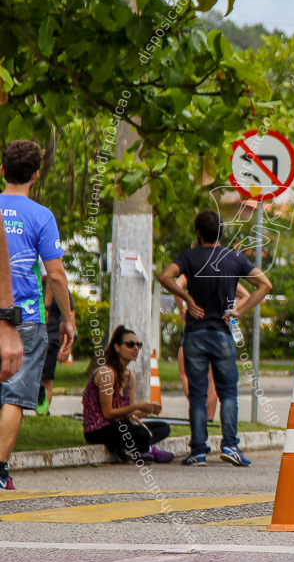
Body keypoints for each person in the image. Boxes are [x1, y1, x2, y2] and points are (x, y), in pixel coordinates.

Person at [157, 210, 272, 467]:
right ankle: (230, 446)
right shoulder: (234, 258)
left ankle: (198, 450)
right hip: (222, 332)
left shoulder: (189, 257)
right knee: (228, 393)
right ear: (222, 233)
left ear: (198, 233)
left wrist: (187, 299)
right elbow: (265, 285)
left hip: (195, 333)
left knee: (197, 394)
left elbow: (165, 276)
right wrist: (240, 310)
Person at [0, 140, 75, 490]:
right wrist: (69, 317)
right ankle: (0, 472)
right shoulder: (41, 216)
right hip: (25, 318)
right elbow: (55, 274)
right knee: (14, 396)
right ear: (35, 176)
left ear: (2, 171)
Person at [82, 326, 173, 463]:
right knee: (141, 433)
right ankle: (144, 449)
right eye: (130, 344)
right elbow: (107, 414)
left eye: (138, 345)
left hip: (120, 425)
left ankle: (134, 448)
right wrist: (138, 406)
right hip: (99, 429)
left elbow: (129, 415)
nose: (136, 348)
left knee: (163, 428)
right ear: (117, 347)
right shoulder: (106, 373)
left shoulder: (130, 377)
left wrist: (147, 410)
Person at [176, 275, 250, 421]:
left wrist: (183, 309)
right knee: (212, 380)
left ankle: (198, 410)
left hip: (196, 326)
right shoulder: (224, 274)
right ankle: (207, 418)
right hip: (218, 329)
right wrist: (230, 311)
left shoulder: (193, 270)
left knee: (186, 373)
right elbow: (246, 295)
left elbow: (177, 286)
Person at [38, 276, 76, 416]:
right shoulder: (29, 282)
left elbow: (70, 319)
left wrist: (66, 346)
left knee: (46, 380)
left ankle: (41, 415)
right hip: (27, 338)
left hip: (51, 339)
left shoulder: (60, 288)